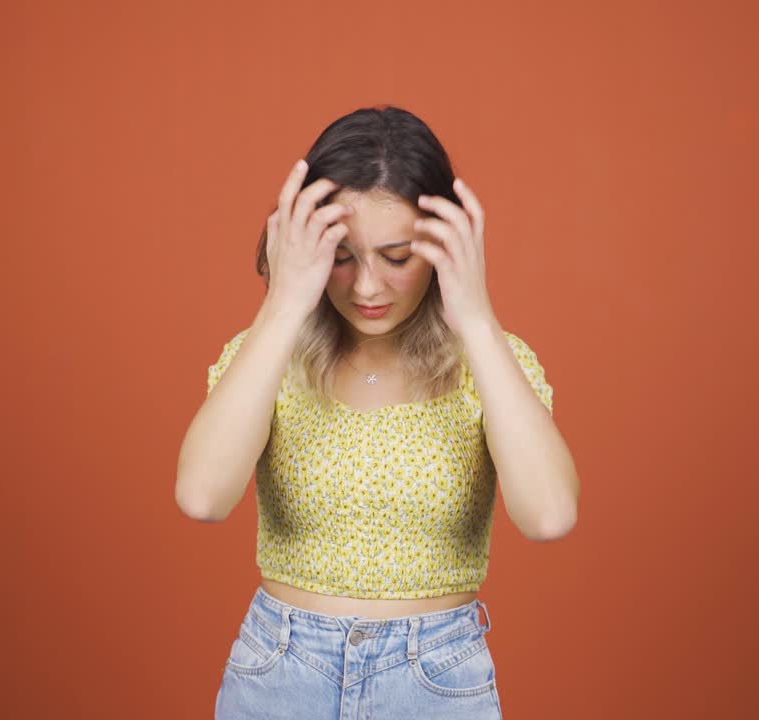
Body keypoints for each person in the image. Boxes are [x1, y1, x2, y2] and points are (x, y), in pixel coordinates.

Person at [176, 105, 580, 719]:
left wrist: (475, 315)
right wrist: (284, 304)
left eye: (396, 258)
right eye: (341, 256)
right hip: (280, 677)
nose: (366, 288)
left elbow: (549, 515)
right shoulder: (265, 357)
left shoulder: (491, 365)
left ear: (447, 248)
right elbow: (202, 498)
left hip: (434, 683)